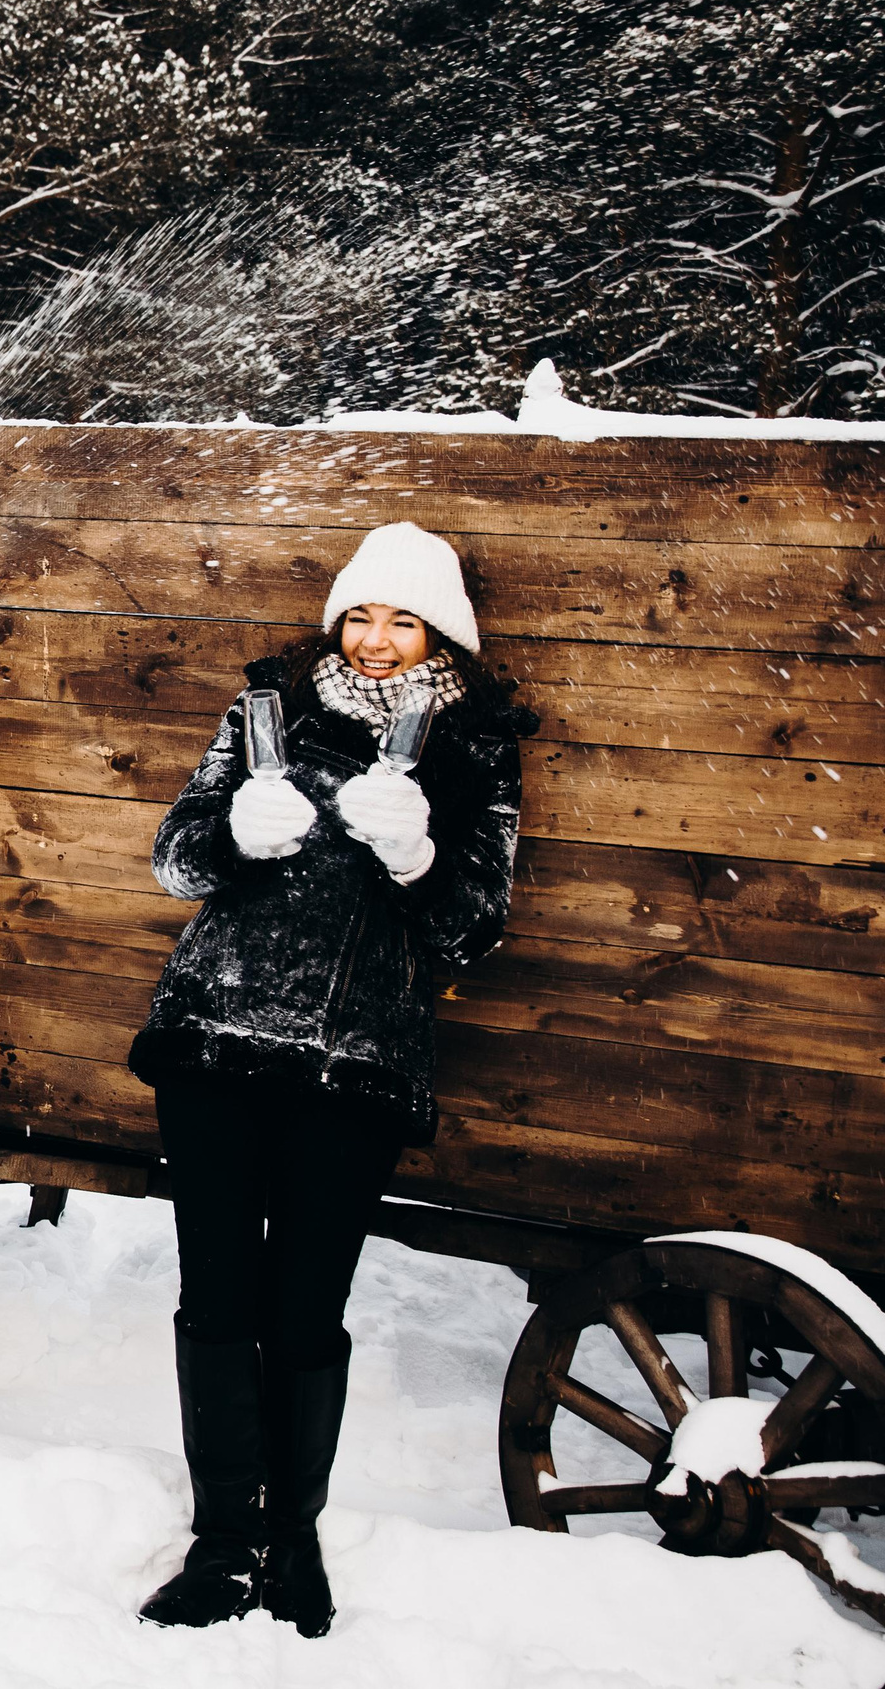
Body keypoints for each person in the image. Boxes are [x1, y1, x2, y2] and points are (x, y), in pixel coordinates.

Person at [126, 521, 533, 1637]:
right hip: (216, 1035)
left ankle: (289, 1537)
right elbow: (173, 857)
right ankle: (221, 1541)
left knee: (308, 1302)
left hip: (356, 1063)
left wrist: (418, 857)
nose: (378, 639)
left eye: (403, 618)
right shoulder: (267, 712)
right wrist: (235, 837)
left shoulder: (476, 749)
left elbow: (474, 927)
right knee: (217, 1291)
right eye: (361, 614)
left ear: (439, 630)